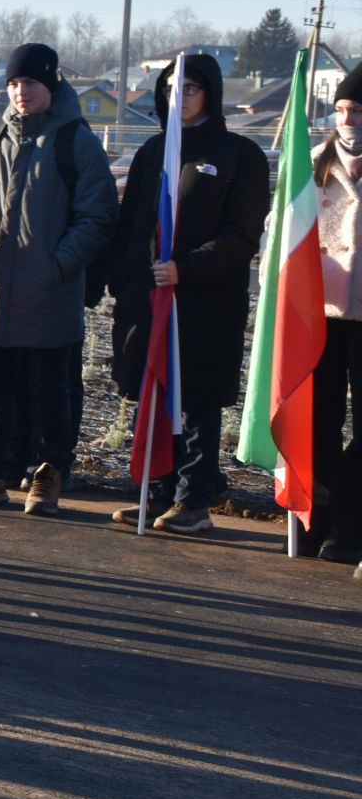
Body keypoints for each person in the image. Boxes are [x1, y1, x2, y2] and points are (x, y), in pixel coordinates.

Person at [0, 43, 116, 515]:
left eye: (31, 83)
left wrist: (58, 266)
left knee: (50, 393)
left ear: (51, 85)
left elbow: (97, 217)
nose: (21, 92)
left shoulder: (75, 141)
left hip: (49, 296)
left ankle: (48, 474)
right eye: (15, 84)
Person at [107, 55, 267, 534]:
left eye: (192, 88)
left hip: (205, 301)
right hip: (149, 297)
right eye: (172, 87)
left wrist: (187, 268)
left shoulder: (240, 154)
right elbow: (129, 226)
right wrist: (124, 279)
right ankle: (156, 493)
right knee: (153, 392)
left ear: (211, 93)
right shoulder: (151, 153)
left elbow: (242, 237)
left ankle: (193, 498)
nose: (181, 97)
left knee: (195, 399)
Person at [308, 69, 362, 568]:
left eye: (359, 112)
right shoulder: (314, 166)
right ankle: (319, 519)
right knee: (318, 420)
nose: (348, 121)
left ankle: (351, 520)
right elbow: (280, 232)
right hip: (319, 312)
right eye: (342, 111)